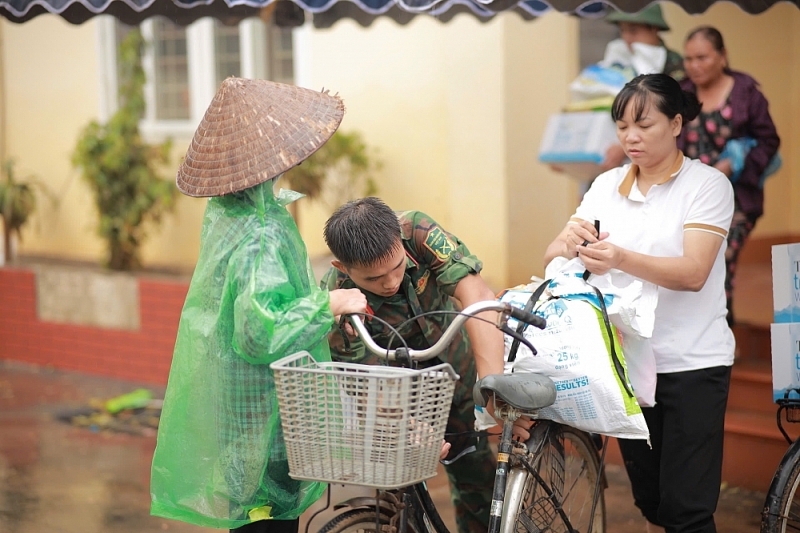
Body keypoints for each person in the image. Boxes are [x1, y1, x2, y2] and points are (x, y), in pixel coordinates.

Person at [149, 78, 368, 533]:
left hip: (239, 408)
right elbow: (258, 332)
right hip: (265, 410)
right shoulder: (261, 233)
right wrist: (327, 304)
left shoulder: (231, 215)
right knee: (265, 518)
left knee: (249, 513)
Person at [544, 73, 734, 532]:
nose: (630, 137)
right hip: (627, 363)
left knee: (688, 511)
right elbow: (552, 256)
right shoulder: (607, 185)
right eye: (622, 125)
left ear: (676, 123)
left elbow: (693, 272)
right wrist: (567, 243)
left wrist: (621, 258)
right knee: (651, 503)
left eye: (644, 125)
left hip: (693, 362)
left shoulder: (706, 186)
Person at [320, 197, 511, 533]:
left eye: (396, 267)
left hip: (456, 364)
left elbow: (477, 297)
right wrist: (402, 425)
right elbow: (360, 381)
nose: (391, 282)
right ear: (343, 268)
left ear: (399, 240)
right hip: (394, 388)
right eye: (374, 279)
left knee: (475, 471)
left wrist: (493, 388)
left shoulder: (418, 232)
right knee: (399, 490)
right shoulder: (338, 298)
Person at [678, 26, 780, 326]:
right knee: (692, 261)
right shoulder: (681, 93)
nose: (694, 66)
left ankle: (721, 330)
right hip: (690, 196)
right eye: (688, 59)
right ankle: (699, 332)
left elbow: (769, 141)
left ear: (722, 56)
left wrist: (736, 166)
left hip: (736, 198)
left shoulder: (746, 92)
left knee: (719, 260)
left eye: (702, 57)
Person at [599, 4, 685, 171]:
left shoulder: (675, 66)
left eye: (633, 31)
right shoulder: (617, 62)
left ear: (654, 29)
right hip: (610, 166)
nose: (627, 38)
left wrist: (624, 148)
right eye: (622, 31)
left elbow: (679, 118)